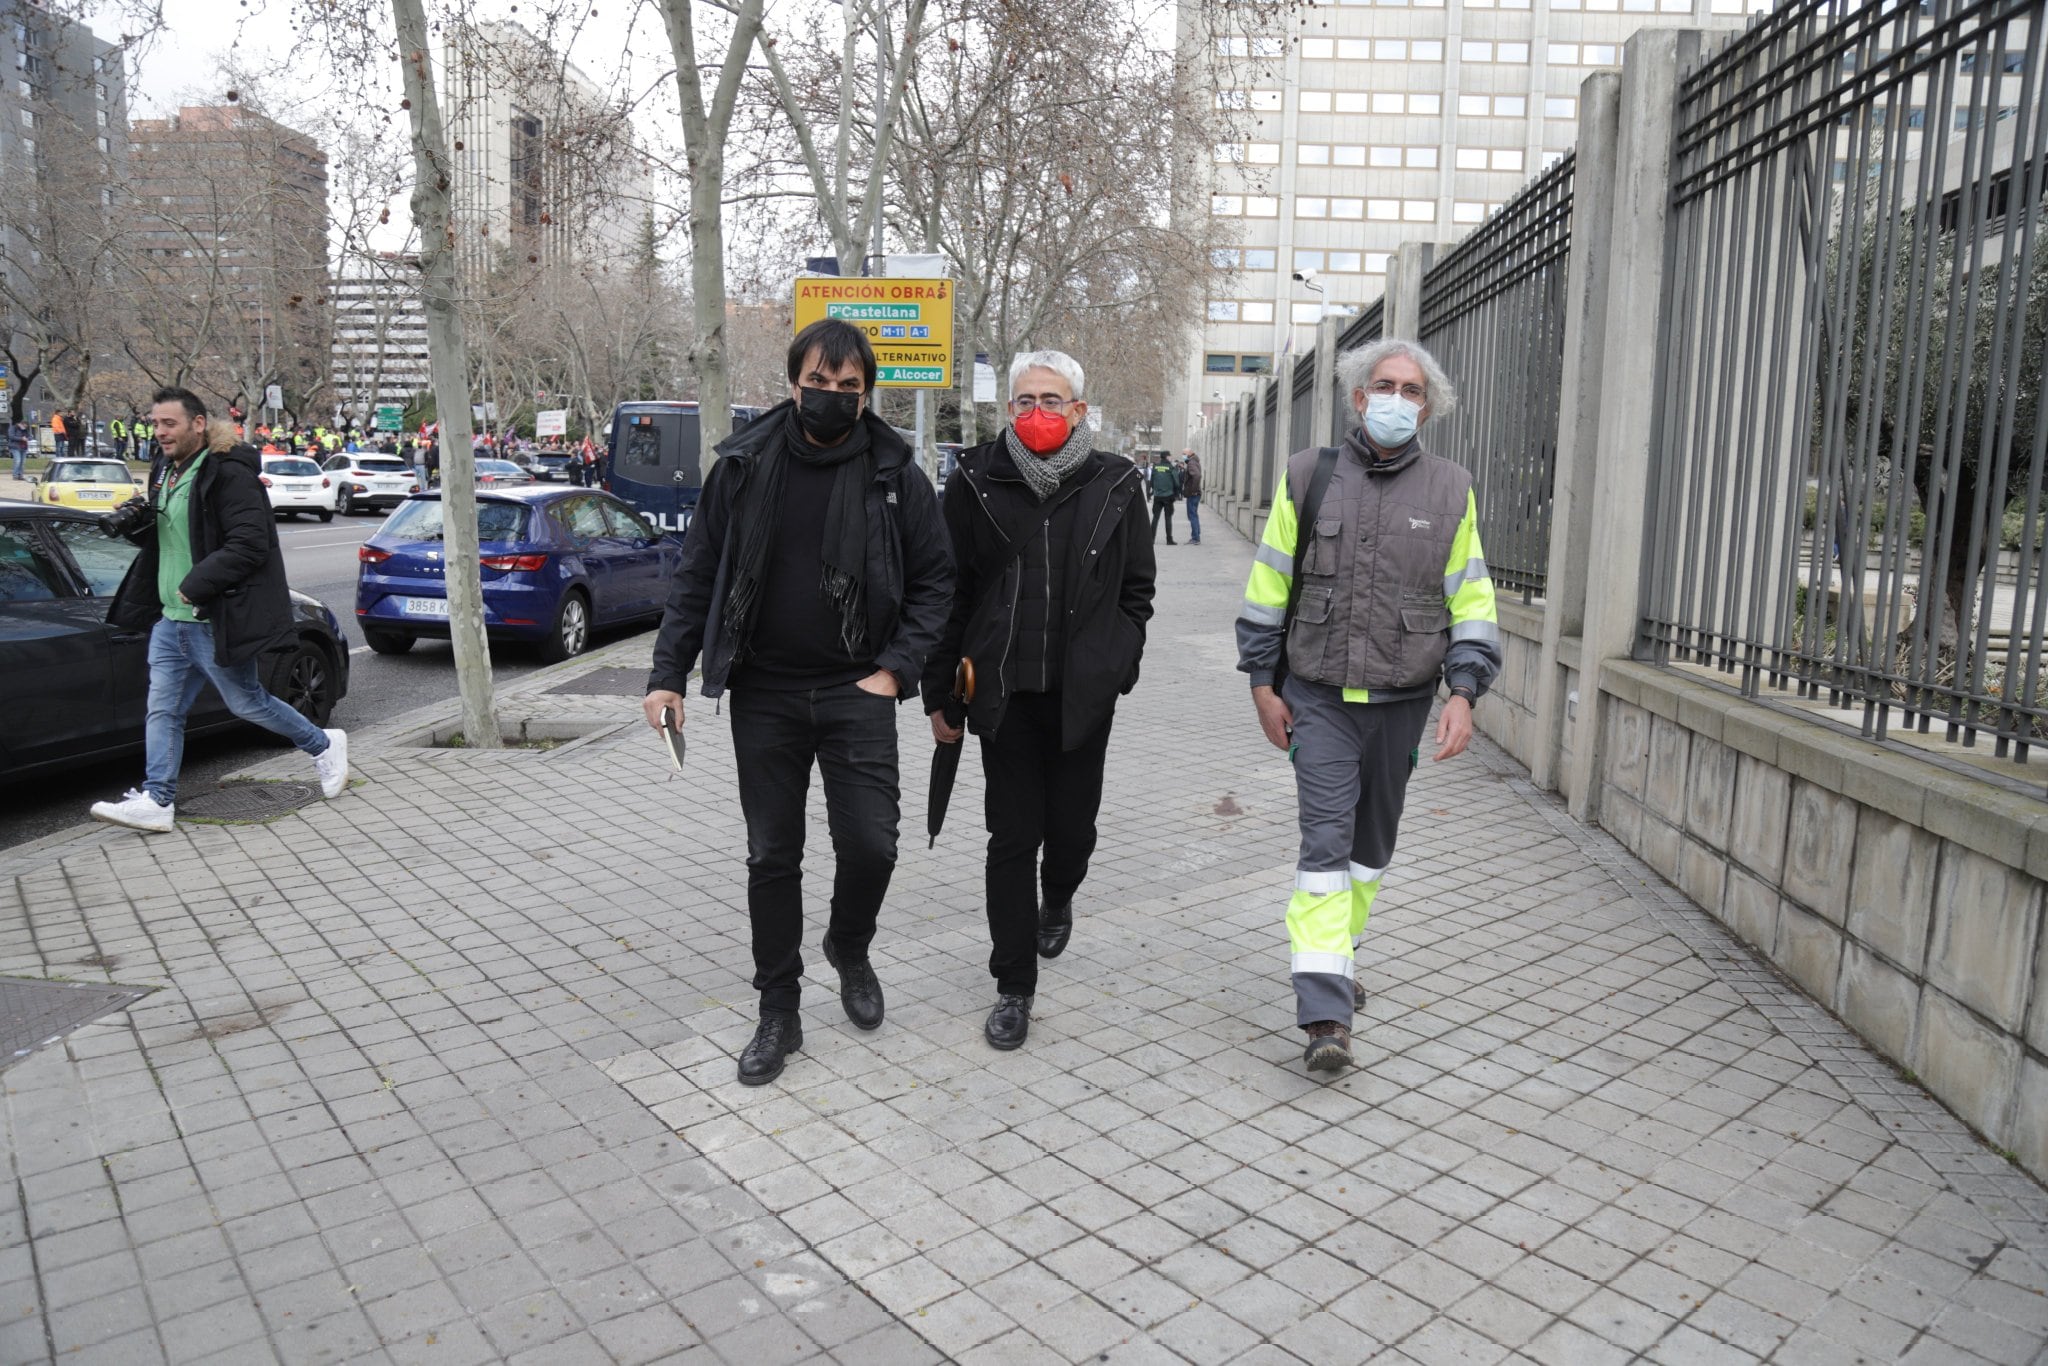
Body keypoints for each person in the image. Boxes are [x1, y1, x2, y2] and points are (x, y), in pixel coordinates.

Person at [642, 319, 952, 1086]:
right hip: (766, 693)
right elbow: (697, 574)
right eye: (819, 383)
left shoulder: (894, 472)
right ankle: (779, 1009)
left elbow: (936, 581)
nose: (832, 398)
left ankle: (849, 944)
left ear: (865, 394)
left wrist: (896, 670)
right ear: (792, 383)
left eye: (849, 389)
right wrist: (666, 675)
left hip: (858, 690)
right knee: (772, 856)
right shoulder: (744, 466)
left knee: (873, 845)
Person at [1234, 338, 1500, 1073]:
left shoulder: (1451, 489)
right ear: (1358, 397)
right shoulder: (1307, 477)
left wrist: (1465, 693)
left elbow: (1472, 601)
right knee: (1323, 849)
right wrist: (1262, 684)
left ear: (1428, 406)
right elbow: (1268, 587)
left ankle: (1339, 956)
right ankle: (1324, 1011)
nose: (1396, 399)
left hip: (1403, 703)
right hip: (1316, 696)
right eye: (1384, 386)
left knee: (1367, 852)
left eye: (1411, 391)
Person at [923, 351, 1156, 1051]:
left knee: (1073, 835)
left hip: (1083, 698)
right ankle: (1013, 985)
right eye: (1024, 401)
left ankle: (1059, 896)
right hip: (1003, 696)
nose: (1036, 413)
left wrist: (1118, 661)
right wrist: (941, 690)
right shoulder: (973, 481)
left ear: (1079, 411)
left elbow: (1136, 591)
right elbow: (949, 592)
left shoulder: (1116, 483)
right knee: (1011, 838)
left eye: (1052, 400)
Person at [88, 387, 350, 834]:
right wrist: (136, 526)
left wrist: (197, 584)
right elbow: (170, 537)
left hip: (212, 615)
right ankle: (158, 800)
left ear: (198, 423)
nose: (160, 432)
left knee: (245, 701)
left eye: (168, 424)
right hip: (171, 618)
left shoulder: (228, 472)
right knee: (163, 709)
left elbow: (250, 543)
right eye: (155, 424)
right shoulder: (165, 469)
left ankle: (323, 744)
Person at [1148, 450, 1182, 545]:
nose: (1171, 457)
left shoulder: (1156, 467)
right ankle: (1169, 539)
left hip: (1157, 496)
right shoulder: (1171, 467)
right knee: (1168, 518)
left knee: (1155, 518)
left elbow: (1152, 481)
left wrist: (1153, 492)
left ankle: (1151, 539)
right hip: (1168, 496)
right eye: (1170, 456)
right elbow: (1176, 482)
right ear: (1166, 457)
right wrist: (1177, 493)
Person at [1181, 448, 1204, 545]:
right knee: (1194, 514)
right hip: (1194, 493)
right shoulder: (1194, 461)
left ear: (1190, 453)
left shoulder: (1191, 463)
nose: (1183, 455)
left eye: (1184, 453)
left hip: (1193, 494)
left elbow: (1197, 476)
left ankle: (1195, 538)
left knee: (1192, 515)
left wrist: (1193, 490)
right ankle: (1196, 535)